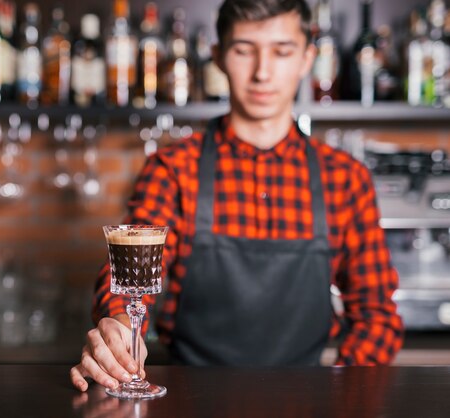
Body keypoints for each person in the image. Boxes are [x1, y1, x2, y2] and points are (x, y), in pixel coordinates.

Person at [70, 0, 404, 392]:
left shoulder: (345, 179)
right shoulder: (173, 168)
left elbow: (377, 316)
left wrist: (338, 395)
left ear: (306, 58)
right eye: (244, 50)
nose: (263, 72)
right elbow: (128, 275)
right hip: (190, 400)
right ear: (219, 57)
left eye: (282, 51)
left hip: (306, 403)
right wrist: (119, 332)